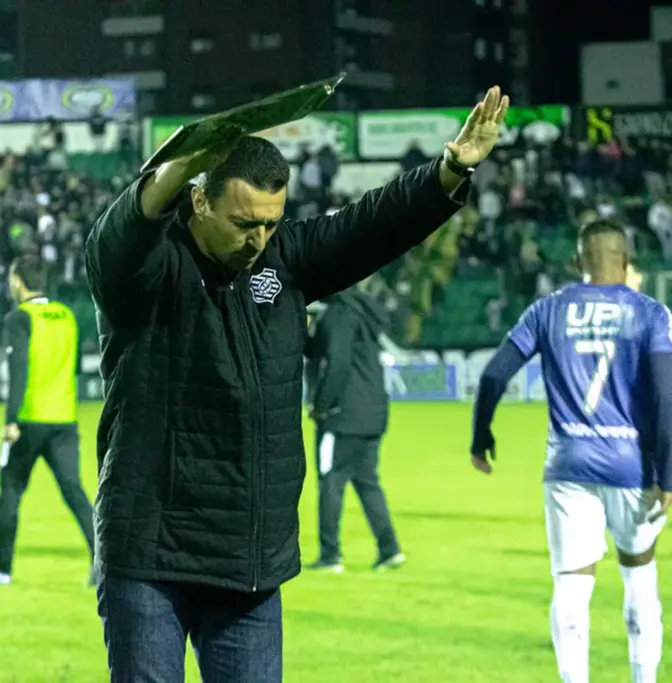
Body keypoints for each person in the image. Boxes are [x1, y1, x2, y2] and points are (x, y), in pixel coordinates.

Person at [85, 86, 509, 682]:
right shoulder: (149, 270)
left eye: (270, 222)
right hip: (152, 554)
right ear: (199, 200)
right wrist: (176, 165)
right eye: (244, 223)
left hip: (251, 561)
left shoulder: (284, 261)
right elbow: (116, 242)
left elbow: (371, 226)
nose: (258, 239)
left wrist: (450, 171)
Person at [470, 220, 672, 683]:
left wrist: (481, 437)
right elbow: (665, 396)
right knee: (639, 575)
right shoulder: (650, 313)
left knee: (571, 584)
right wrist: (669, 474)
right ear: (626, 261)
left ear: (579, 260)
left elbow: (494, 376)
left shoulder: (547, 310)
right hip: (633, 467)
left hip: (568, 466)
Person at [0, 256, 95, 586]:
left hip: (28, 419)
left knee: (10, 488)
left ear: (18, 281)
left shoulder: (19, 318)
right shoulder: (67, 316)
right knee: (75, 492)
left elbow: (18, 370)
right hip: (64, 419)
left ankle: (2, 569)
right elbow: (77, 367)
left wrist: (11, 420)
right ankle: (103, 564)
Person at [303, 283, 402, 573]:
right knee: (367, 482)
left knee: (330, 481)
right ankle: (389, 549)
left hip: (343, 415)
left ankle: (330, 555)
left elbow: (337, 362)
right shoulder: (364, 315)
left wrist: (321, 406)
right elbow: (321, 349)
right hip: (374, 413)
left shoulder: (338, 315)